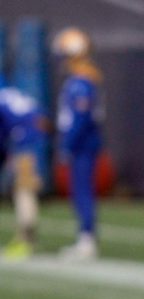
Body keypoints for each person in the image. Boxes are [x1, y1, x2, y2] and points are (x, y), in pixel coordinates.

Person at [52, 27, 104, 260]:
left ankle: (86, 239)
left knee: (82, 191)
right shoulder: (83, 79)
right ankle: (85, 237)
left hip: (83, 144)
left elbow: (81, 118)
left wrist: (67, 144)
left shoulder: (82, 82)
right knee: (79, 191)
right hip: (84, 143)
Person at [0, 84, 48, 260]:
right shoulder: (11, 92)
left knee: (24, 190)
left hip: (25, 142)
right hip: (35, 140)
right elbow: (41, 118)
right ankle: (27, 238)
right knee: (24, 189)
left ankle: (25, 240)